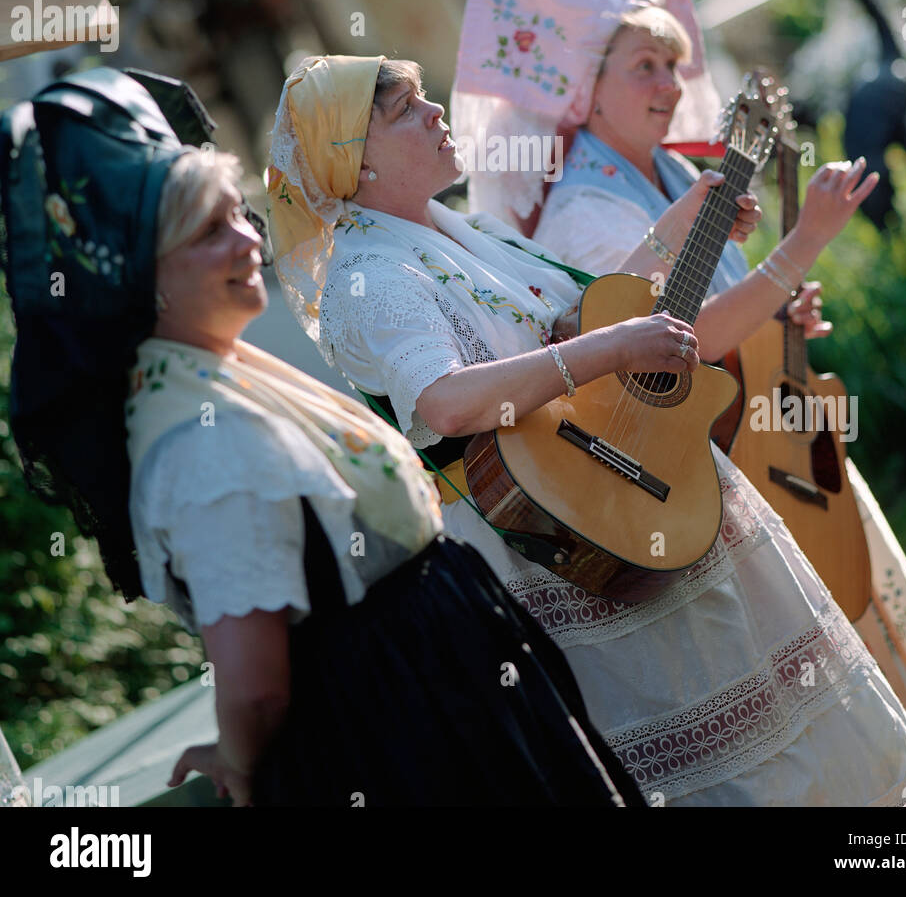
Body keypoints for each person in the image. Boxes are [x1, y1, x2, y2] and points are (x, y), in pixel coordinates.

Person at [267, 51, 906, 806]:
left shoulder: (469, 231)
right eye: (405, 110)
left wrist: (673, 232)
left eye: (427, 97)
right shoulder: (372, 276)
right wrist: (610, 350)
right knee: (713, 753)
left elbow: (568, 324)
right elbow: (447, 402)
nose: (435, 112)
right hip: (568, 528)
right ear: (354, 163)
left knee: (781, 710)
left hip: (626, 483)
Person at [0, 67, 644, 809]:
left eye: (237, 215)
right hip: (402, 732)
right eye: (210, 233)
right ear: (144, 283)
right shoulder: (197, 440)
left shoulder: (223, 384)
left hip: (441, 694)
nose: (248, 239)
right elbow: (255, 683)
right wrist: (237, 755)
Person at [451, 0, 906, 747]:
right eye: (643, 67)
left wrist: (778, 323)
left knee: (862, 619)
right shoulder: (582, 216)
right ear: (581, 91)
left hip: (769, 426)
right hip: (712, 460)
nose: (670, 84)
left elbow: (728, 319)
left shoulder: (670, 174)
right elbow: (676, 346)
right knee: (825, 667)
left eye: (672, 64)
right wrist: (800, 244)